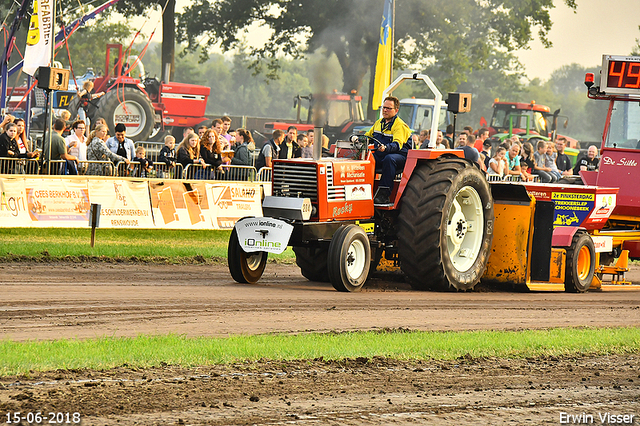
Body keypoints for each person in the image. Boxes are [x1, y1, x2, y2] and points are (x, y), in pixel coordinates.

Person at [366, 96, 412, 205]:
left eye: (388, 108)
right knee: (366, 158)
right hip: (382, 153)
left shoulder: (400, 125)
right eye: (384, 107)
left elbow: (397, 144)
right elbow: (368, 136)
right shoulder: (378, 123)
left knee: (389, 159)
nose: (385, 110)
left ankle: (383, 194)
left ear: (396, 111)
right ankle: (365, 191)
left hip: (400, 156)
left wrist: (386, 147)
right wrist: (359, 140)